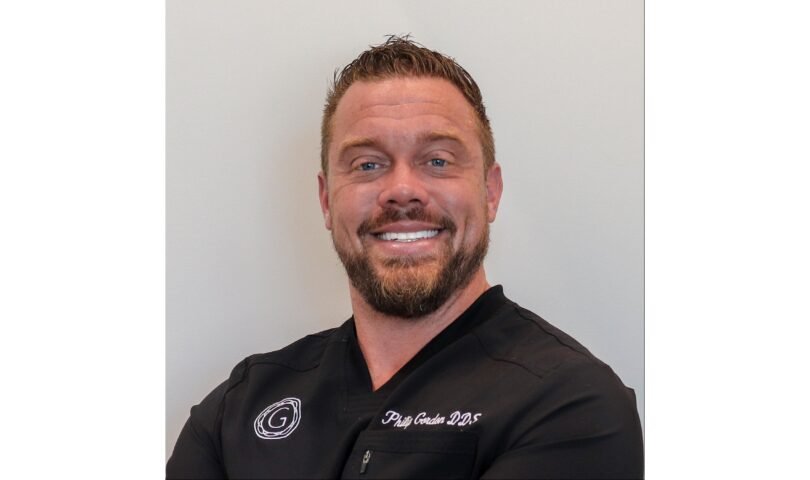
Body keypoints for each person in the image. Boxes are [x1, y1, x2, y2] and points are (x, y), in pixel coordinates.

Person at [167, 36, 643, 479]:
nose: (401, 190)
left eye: (438, 160)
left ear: (490, 192)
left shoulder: (569, 405)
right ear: (327, 201)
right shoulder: (240, 407)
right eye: (367, 164)